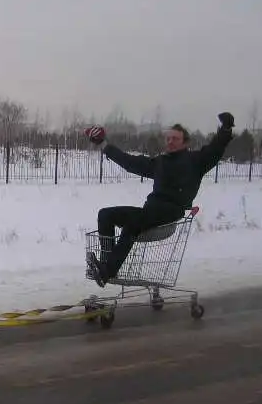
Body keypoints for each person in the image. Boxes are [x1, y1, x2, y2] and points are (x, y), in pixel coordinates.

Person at [84, 112, 235, 287]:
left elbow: (215, 149)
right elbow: (130, 162)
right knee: (105, 214)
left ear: (185, 142)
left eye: (175, 139)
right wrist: (103, 144)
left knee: (134, 223)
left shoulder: (196, 161)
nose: (170, 141)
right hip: (150, 212)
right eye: (168, 138)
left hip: (171, 210)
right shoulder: (160, 162)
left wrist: (226, 128)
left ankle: (108, 270)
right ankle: (105, 265)